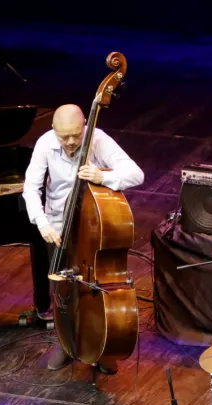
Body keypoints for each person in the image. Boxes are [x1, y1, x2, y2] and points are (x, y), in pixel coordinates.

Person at [22, 104, 144, 372]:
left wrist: (103, 176)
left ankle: (100, 346)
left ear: (85, 126)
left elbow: (137, 174)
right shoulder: (45, 144)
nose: (70, 142)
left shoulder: (98, 140)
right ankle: (65, 343)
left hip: (92, 228)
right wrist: (42, 223)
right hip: (57, 228)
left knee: (93, 291)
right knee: (62, 291)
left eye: (76, 135)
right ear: (53, 130)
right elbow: (30, 188)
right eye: (63, 136)